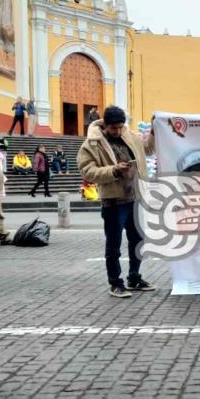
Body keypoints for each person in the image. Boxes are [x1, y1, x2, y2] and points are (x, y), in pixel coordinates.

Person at [78, 105, 156, 298]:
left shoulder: (130, 136)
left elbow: (148, 148)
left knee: (137, 241)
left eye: (121, 127)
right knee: (114, 245)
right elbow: (87, 171)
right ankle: (115, 283)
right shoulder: (92, 144)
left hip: (136, 197)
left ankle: (134, 277)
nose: (118, 131)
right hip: (114, 201)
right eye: (114, 128)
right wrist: (113, 170)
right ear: (105, 125)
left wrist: (154, 131)